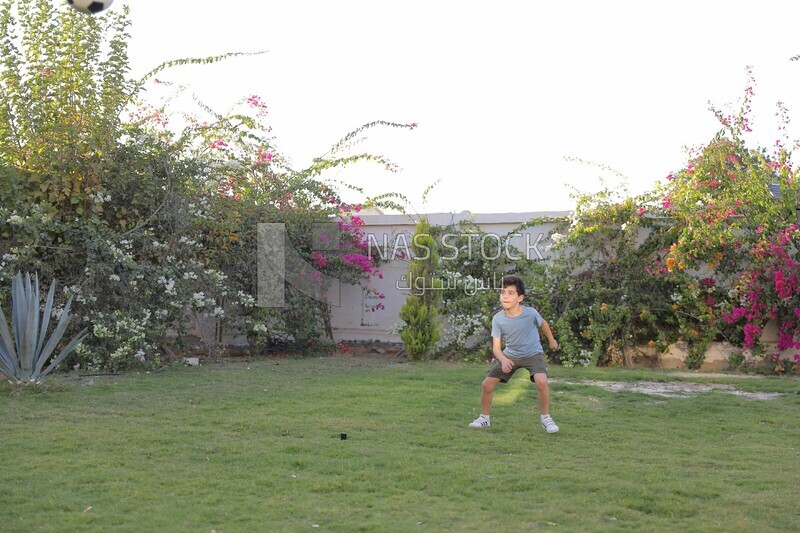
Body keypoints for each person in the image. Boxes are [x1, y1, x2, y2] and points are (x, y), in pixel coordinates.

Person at [468, 275, 560, 433]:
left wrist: (552, 340)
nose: (505, 296)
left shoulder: (530, 313)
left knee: (541, 381)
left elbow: (543, 323)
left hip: (533, 353)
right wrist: (503, 360)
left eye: (511, 293)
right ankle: (484, 419)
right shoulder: (498, 319)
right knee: (486, 384)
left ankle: (546, 419)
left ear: (520, 298)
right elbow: (496, 348)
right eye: (503, 292)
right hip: (510, 355)